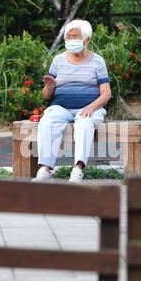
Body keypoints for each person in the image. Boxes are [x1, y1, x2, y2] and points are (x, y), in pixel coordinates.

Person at [32, 19, 112, 183]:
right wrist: (49, 87)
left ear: (87, 40)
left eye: (75, 36)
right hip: (61, 107)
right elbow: (46, 96)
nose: (71, 40)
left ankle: (78, 169)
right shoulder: (58, 60)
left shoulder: (98, 61)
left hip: (88, 107)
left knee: (84, 122)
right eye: (68, 37)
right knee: (47, 121)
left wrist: (91, 107)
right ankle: (45, 169)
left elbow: (106, 93)